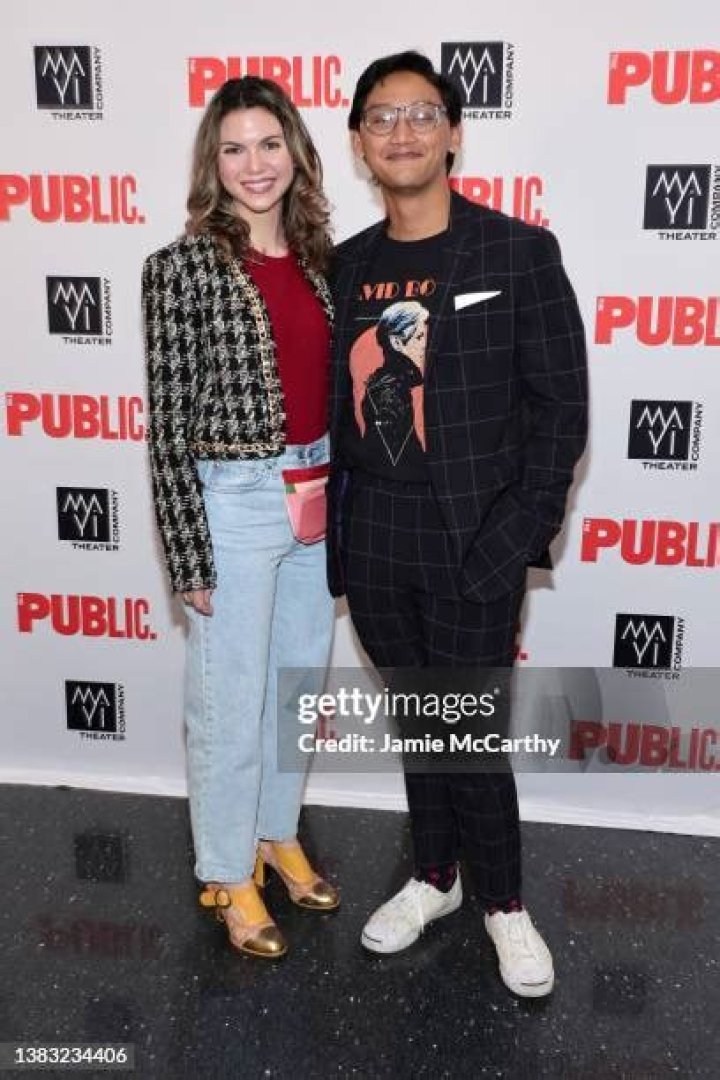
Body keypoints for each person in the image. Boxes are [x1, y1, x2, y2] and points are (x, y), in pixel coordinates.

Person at [327, 52, 587, 996]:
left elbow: (561, 410)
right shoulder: (346, 266)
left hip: (475, 536)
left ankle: (504, 903)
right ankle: (435, 878)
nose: (401, 132)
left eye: (420, 113)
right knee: (419, 722)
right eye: (381, 117)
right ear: (359, 142)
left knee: (467, 734)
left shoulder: (518, 253)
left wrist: (514, 539)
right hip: (375, 534)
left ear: (453, 133)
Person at [142, 76, 339, 960]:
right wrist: (187, 550)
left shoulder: (324, 261)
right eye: (234, 148)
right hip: (233, 500)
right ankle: (227, 871)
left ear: (294, 151)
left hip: (318, 493)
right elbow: (168, 425)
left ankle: (275, 833)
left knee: (295, 688)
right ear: (211, 163)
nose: (254, 164)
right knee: (227, 701)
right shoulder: (178, 269)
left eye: (268, 144)